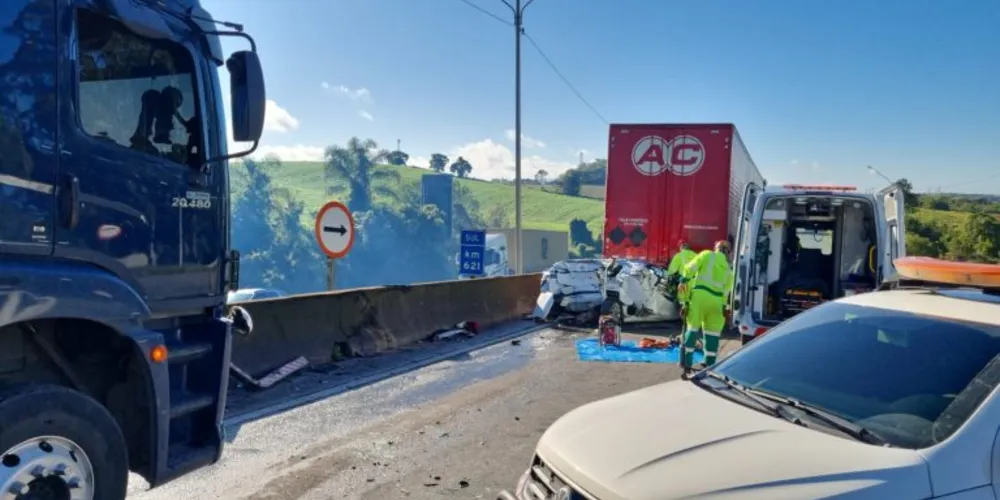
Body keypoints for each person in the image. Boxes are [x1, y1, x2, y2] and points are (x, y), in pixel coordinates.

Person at [679, 240, 734, 375]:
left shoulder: (707, 255)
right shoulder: (729, 270)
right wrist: (725, 308)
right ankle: (709, 366)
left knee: (692, 330)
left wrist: (684, 281)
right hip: (717, 302)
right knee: (712, 335)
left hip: (700, 297)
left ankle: (687, 364)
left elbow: (690, 269)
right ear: (728, 252)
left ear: (716, 248)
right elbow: (726, 293)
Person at [666, 240, 698, 317]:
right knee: (693, 300)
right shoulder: (696, 255)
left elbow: (672, 271)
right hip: (696, 282)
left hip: (684, 282)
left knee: (683, 300)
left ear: (681, 248)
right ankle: (692, 316)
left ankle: (683, 318)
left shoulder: (679, 256)